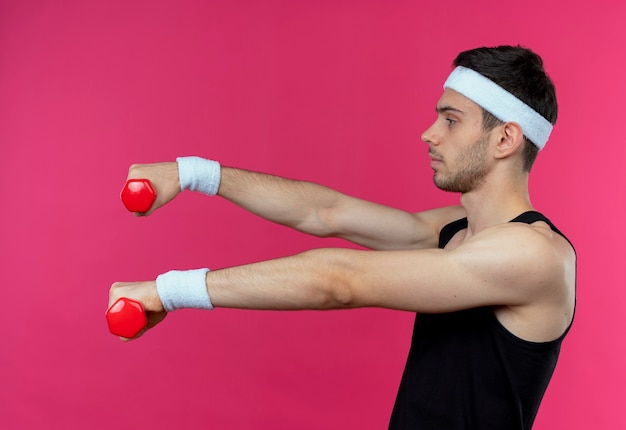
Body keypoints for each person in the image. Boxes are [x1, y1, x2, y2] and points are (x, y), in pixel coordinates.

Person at [109, 45, 576, 429]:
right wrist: (191, 173)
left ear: (504, 140)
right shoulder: (452, 231)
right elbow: (326, 211)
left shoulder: (532, 253)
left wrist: (167, 292)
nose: (428, 134)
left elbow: (339, 279)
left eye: (451, 120)